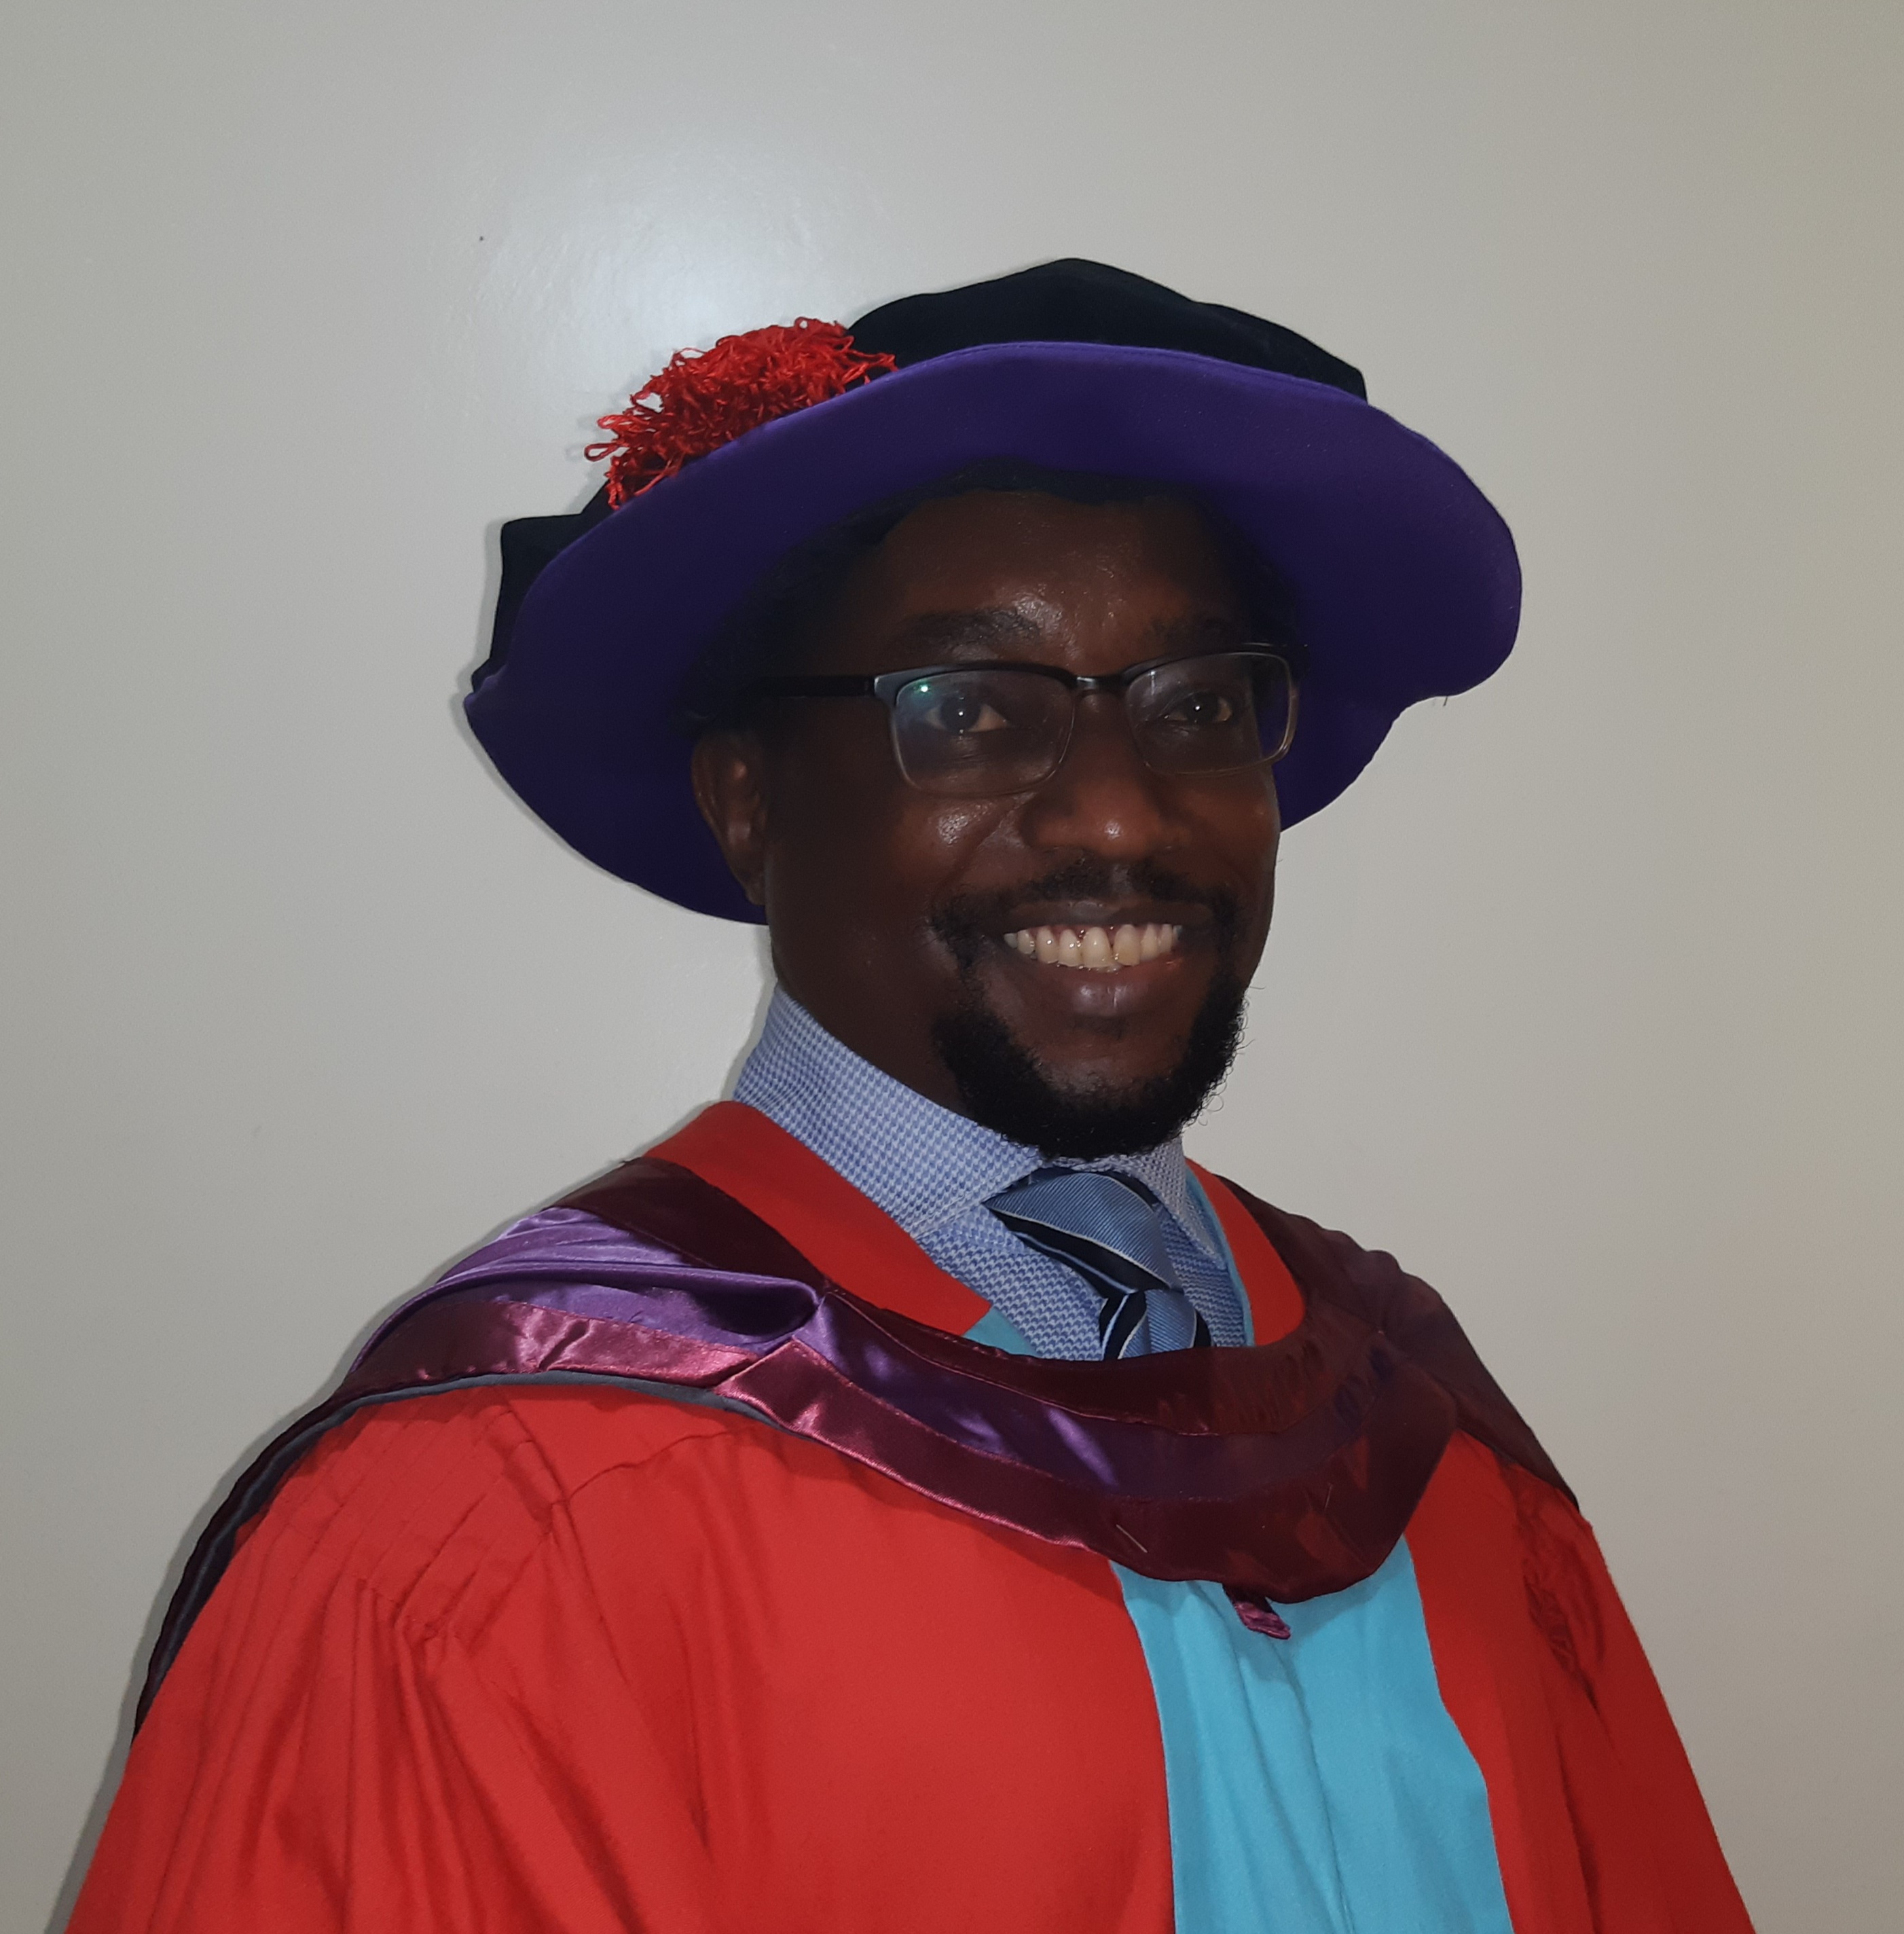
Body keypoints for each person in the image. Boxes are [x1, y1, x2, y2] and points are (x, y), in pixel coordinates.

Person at [69, 259, 1754, 1933]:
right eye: (967, 711)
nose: (1119, 814)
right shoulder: (499, 1516)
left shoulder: (1420, 1432)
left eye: (1198, 703)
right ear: (747, 799)